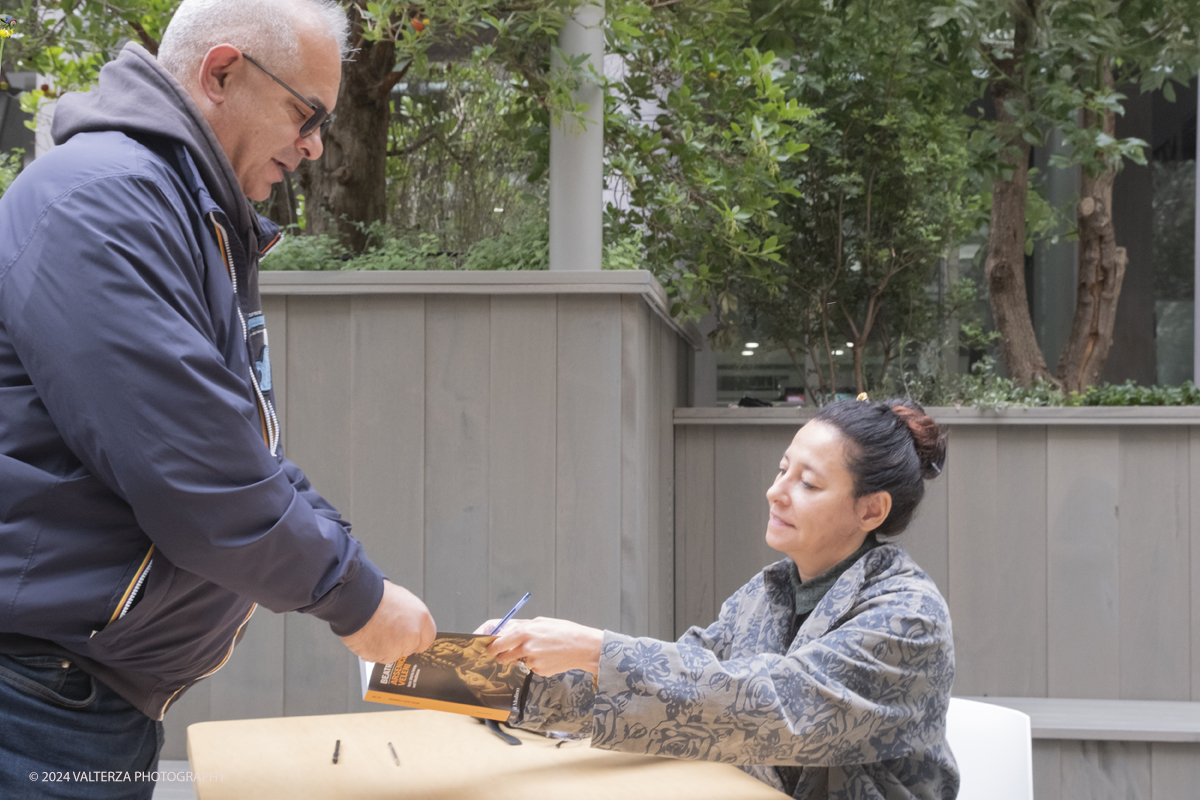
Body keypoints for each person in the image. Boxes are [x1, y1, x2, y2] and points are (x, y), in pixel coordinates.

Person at [0, 1, 435, 796]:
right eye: (307, 113)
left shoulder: (173, 210)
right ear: (222, 72)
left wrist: (351, 566)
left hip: (70, 697)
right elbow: (198, 475)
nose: (312, 146)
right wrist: (358, 599)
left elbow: (236, 446)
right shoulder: (105, 204)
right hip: (33, 703)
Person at [483, 398, 959, 799]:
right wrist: (510, 685)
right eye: (781, 470)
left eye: (808, 483)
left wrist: (595, 650)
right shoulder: (766, 593)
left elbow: (777, 708)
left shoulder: (910, 617)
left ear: (871, 509)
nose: (775, 492)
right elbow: (675, 693)